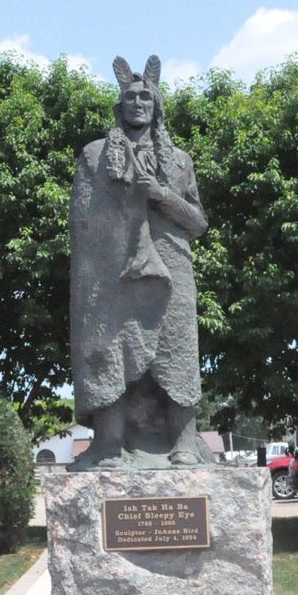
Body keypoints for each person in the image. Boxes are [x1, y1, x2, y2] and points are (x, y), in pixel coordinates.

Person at [68, 55, 209, 469]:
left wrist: (160, 195)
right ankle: (110, 446)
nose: (138, 102)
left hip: (172, 267)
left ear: (157, 105)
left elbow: (198, 223)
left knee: (177, 349)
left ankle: (183, 444)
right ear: (120, 105)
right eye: (130, 96)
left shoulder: (179, 161)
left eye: (146, 96)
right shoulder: (95, 157)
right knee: (111, 349)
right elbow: (82, 224)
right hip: (114, 273)